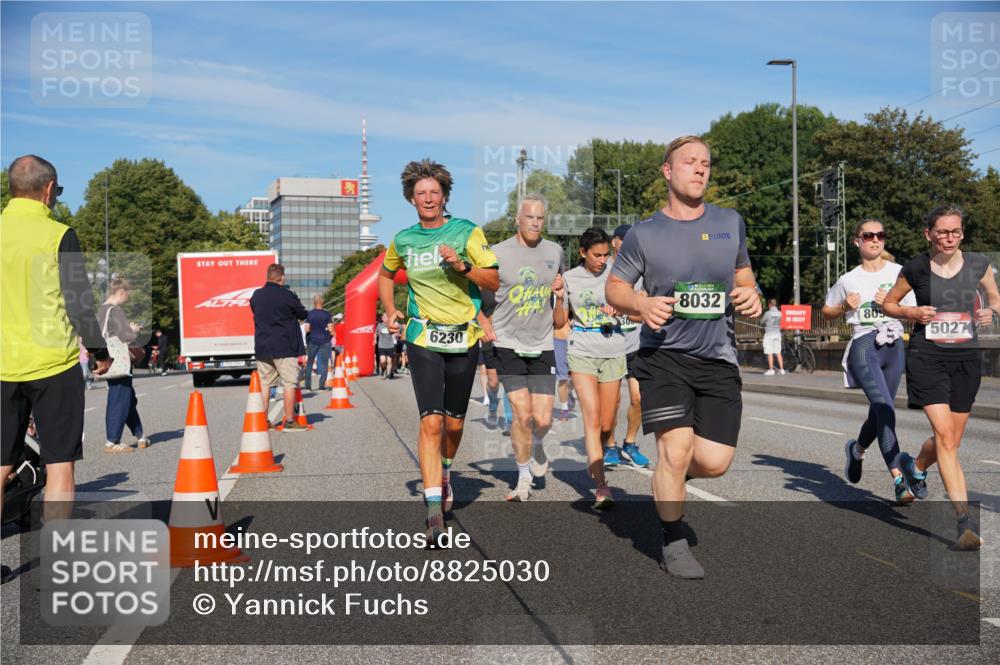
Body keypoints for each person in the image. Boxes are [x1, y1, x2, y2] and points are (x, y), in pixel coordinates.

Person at [606, 135, 762, 579]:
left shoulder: (730, 222)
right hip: (663, 356)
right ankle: (673, 542)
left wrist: (751, 293)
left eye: (706, 163)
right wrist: (641, 304)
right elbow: (615, 288)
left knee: (713, 462)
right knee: (675, 450)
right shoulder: (645, 233)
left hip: (717, 356)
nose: (700, 169)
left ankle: (669, 480)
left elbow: (744, 275)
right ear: (668, 171)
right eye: (690, 162)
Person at [378, 158, 498, 547]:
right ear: (411, 200)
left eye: (434, 192)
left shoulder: (467, 231)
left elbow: (493, 278)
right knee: (431, 422)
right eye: (420, 194)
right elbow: (384, 273)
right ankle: (433, 512)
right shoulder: (404, 239)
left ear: (444, 196)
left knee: (454, 425)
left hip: (463, 337)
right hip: (423, 336)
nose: (428, 199)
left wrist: (462, 266)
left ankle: (446, 470)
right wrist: (391, 308)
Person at [1, 155, 111, 567]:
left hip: (2, 365)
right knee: (59, 463)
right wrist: (98, 350)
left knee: (1, 463)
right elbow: (78, 300)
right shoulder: (58, 234)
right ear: (48, 190)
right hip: (53, 363)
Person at [883, 205, 1000, 550]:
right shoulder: (916, 268)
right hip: (926, 357)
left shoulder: (979, 264)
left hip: (966, 360)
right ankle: (964, 523)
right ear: (929, 234)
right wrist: (910, 311)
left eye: (956, 231)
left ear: (962, 232)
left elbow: (994, 294)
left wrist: (990, 310)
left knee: (952, 439)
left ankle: (914, 465)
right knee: (946, 438)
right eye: (943, 231)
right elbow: (889, 303)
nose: (950, 237)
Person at [822, 220, 916, 503]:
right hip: (865, 344)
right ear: (857, 241)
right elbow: (826, 311)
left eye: (880, 235)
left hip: (894, 345)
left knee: (878, 412)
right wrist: (843, 307)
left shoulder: (899, 273)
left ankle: (857, 450)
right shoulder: (849, 279)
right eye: (868, 235)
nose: (875, 239)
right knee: (886, 410)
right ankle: (899, 479)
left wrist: (893, 304)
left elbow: (913, 311)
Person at [485, 193, 564, 501]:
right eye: (529, 217)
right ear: (517, 220)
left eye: (540, 217)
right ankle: (522, 478)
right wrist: (482, 320)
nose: (535, 222)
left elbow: (559, 301)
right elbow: (475, 292)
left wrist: (560, 299)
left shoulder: (555, 251)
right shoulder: (497, 253)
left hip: (544, 343)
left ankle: (538, 445)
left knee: (542, 420)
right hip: (507, 342)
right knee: (521, 414)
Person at [562, 227, 627, 509]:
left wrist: (621, 308)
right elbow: (558, 320)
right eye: (597, 255)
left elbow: (635, 308)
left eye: (606, 254)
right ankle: (601, 486)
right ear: (582, 253)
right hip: (582, 351)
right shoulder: (569, 278)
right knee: (591, 416)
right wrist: (555, 297)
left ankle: (597, 452)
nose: (603, 259)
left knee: (606, 422)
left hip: (613, 350)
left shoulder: (618, 273)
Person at [250, 263, 309, 432]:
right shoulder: (287, 295)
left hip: (263, 347)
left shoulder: (256, 296)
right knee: (289, 383)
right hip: (285, 346)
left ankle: (263, 420)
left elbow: (255, 311)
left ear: (267, 276)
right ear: (282, 277)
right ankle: (290, 421)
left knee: (265, 385)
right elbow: (302, 314)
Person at [610, 224, 651, 468]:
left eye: (630, 240)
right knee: (611, 403)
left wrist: (633, 308)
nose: (625, 243)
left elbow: (645, 310)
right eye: (622, 239)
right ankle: (609, 446)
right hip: (610, 346)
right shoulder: (604, 270)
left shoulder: (643, 273)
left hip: (636, 345)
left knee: (639, 398)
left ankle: (630, 443)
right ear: (614, 242)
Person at [98, 276, 151, 452]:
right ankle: (112, 441)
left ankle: (140, 435)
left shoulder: (101, 311)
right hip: (120, 363)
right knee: (119, 399)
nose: (127, 300)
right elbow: (126, 336)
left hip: (108, 360)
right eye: (127, 296)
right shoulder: (116, 311)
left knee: (127, 398)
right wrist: (134, 330)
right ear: (121, 293)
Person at [304, 295, 333, 390]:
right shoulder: (327, 314)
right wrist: (331, 334)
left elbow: (307, 329)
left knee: (310, 363)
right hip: (325, 340)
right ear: (322, 302)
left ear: (314, 302)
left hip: (313, 340)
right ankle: (321, 385)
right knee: (325, 363)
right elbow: (331, 329)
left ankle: (308, 385)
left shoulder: (310, 314)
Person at [553, 319, 575, 420]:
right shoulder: (555, 302)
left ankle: (568, 391)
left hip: (578, 340)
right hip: (559, 339)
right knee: (563, 378)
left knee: (578, 377)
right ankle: (564, 409)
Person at [760, 299, 785, 375]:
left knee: (769, 352)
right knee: (778, 352)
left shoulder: (768, 313)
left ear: (770, 304)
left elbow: (761, 322)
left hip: (769, 334)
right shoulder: (780, 313)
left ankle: (771, 370)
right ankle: (782, 369)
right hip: (777, 334)